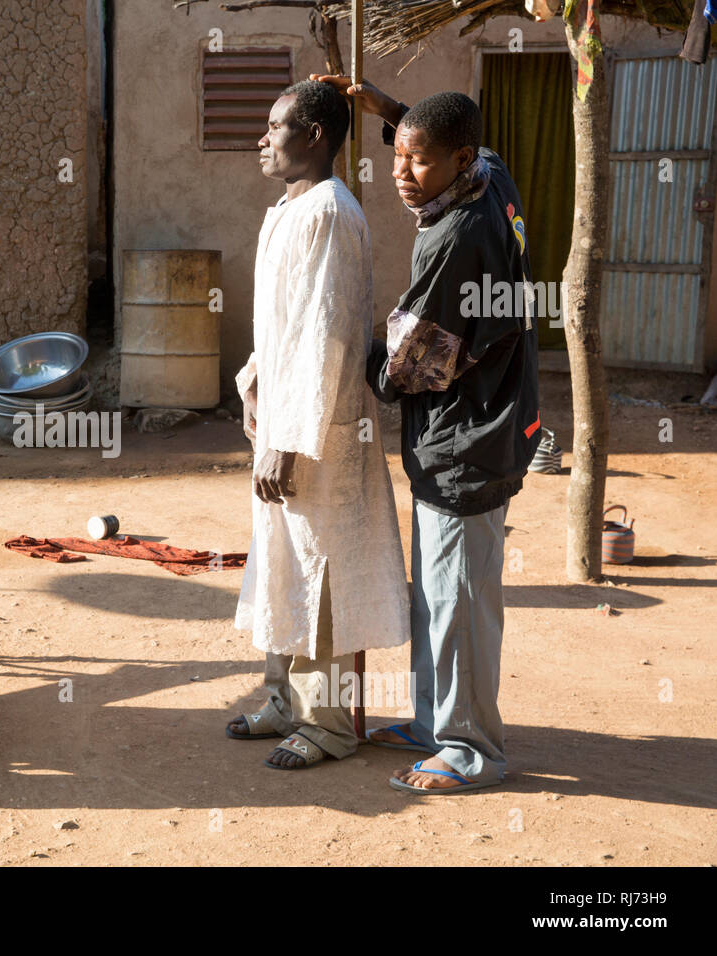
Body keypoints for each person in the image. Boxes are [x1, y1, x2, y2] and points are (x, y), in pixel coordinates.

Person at [314, 77, 541, 793]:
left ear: (459, 157)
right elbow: (443, 136)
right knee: (435, 592)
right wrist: (387, 109)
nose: (401, 176)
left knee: (460, 600)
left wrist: (349, 355)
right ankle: (431, 723)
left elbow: (413, 364)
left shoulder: (456, 240)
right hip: (472, 431)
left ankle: (471, 749)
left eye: (417, 161)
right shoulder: (490, 175)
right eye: (397, 157)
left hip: (469, 441)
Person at [226, 80, 411, 770]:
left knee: (322, 573)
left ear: (314, 136)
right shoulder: (288, 209)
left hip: (322, 432)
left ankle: (329, 725)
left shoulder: (332, 212)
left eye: (275, 127)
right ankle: (285, 701)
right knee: (283, 564)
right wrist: (253, 385)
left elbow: (329, 335)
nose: (262, 139)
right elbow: (282, 324)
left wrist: (290, 437)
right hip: (282, 417)